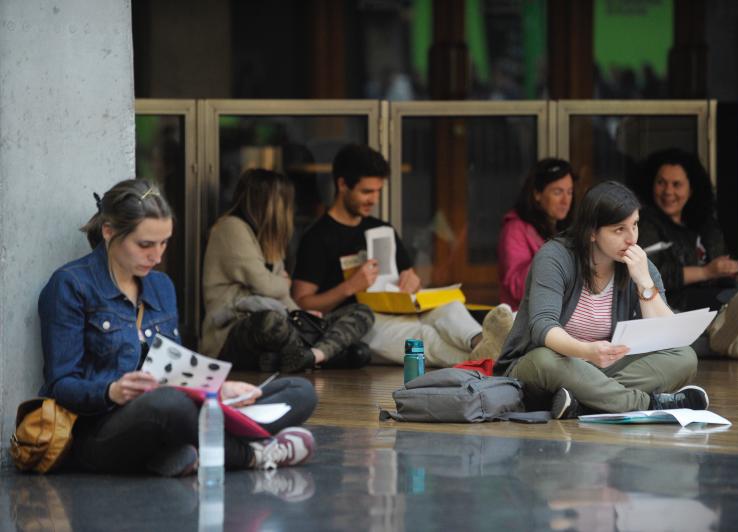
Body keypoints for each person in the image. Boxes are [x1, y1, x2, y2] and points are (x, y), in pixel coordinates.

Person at [39, 179, 316, 476]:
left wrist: (218, 392)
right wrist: (112, 391)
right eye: (145, 245)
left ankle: (178, 454)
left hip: (174, 413)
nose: (157, 257)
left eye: (164, 243)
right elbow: (60, 384)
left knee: (299, 391)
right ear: (109, 231)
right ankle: (252, 454)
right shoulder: (70, 285)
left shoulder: (161, 286)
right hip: (101, 432)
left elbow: (179, 371)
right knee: (168, 404)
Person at [494, 180, 709, 419]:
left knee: (685, 356)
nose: (632, 239)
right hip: (547, 364)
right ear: (592, 232)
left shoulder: (638, 264)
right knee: (545, 359)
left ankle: (584, 402)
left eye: (635, 225)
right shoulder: (555, 257)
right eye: (619, 230)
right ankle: (647, 405)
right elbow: (543, 327)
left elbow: (668, 336)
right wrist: (586, 351)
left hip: (599, 366)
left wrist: (645, 284)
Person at [291, 144, 514, 366]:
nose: (374, 199)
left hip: (400, 310)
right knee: (422, 336)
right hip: (358, 324)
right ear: (342, 185)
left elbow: (408, 276)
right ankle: (494, 359)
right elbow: (301, 302)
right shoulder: (317, 237)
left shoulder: (381, 229)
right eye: (366, 191)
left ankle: (481, 342)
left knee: (450, 308)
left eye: (378, 191)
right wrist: (350, 286)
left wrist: (412, 281)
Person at [200, 168, 375, 373]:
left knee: (362, 315)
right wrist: (286, 283)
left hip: (279, 328)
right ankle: (319, 354)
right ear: (271, 203)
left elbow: (280, 297)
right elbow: (266, 285)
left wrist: (301, 315)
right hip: (232, 332)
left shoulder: (270, 239)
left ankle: (312, 356)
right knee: (271, 322)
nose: (290, 209)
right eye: (286, 202)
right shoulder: (230, 228)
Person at [636, 148, 738, 359]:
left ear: (692, 188)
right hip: (675, 306)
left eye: (676, 184)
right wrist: (706, 272)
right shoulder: (645, 223)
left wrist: (733, 269)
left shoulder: (705, 224)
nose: (668, 191)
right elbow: (650, 276)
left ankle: (724, 336)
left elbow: (719, 261)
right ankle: (721, 339)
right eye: (661, 182)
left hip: (710, 301)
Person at [498, 158, 576, 310]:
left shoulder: (567, 229)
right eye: (557, 192)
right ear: (537, 194)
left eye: (570, 192)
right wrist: (553, 254)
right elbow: (517, 289)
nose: (565, 201)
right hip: (524, 322)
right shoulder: (515, 229)